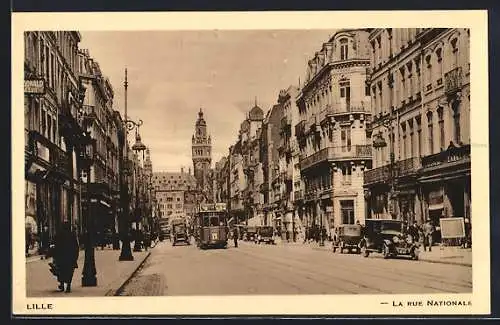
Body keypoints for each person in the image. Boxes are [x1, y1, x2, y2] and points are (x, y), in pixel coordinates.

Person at [53, 222, 79, 293]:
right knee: (70, 272)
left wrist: (55, 256)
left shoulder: (59, 235)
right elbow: (76, 247)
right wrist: (75, 256)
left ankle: (61, 284)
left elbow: (55, 245)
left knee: (61, 271)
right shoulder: (72, 235)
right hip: (70, 257)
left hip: (61, 257)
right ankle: (68, 285)